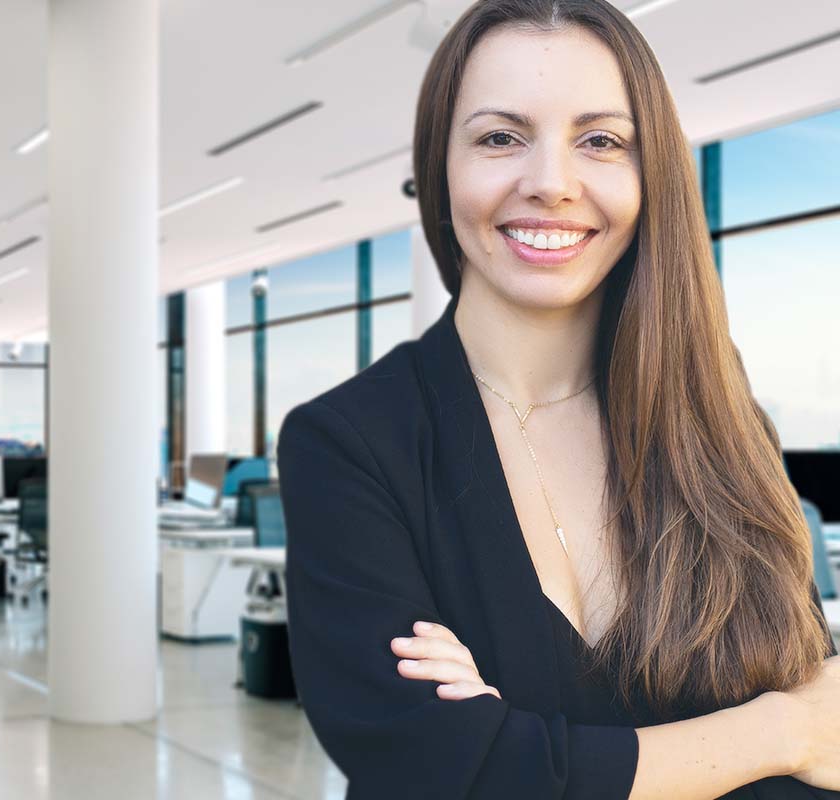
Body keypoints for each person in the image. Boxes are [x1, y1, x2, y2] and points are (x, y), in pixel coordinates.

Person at [274, 1, 840, 798]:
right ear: (441, 166)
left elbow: (822, 753)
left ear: (652, 178)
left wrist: (527, 752)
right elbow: (437, 769)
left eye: (602, 141)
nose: (550, 183)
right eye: (500, 137)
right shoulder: (348, 443)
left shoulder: (723, 424)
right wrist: (771, 732)